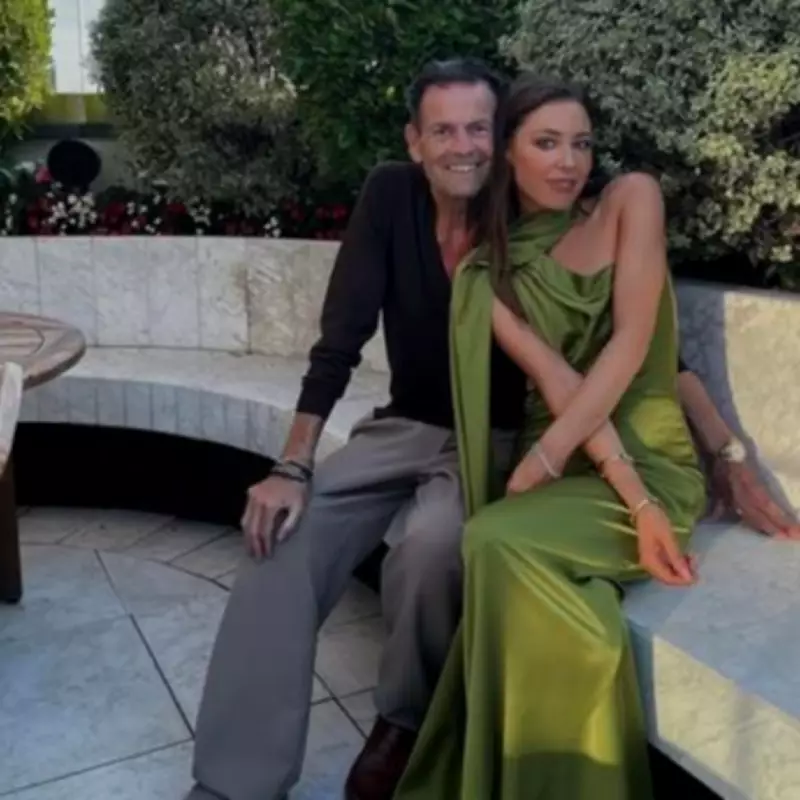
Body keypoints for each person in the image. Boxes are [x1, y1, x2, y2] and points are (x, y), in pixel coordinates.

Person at [186, 61, 799, 800]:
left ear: (499, 138)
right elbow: (340, 337)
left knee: (433, 546)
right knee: (282, 537)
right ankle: (234, 783)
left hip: (495, 440)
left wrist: (725, 450)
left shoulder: (537, 212)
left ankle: (405, 722)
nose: (463, 147)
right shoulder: (392, 197)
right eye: (443, 130)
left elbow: (645, 349)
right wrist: (292, 464)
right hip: (404, 425)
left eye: (478, 128)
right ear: (415, 141)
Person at [390, 73, 749, 800]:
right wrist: (554, 459)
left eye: (581, 144)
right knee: (501, 552)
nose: (569, 162)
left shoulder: (630, 200)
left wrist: (641, 497)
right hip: (567, 459)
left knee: (495, 540)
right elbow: (556, 381)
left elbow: (632, 346)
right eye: (547, 143)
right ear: (508, 154)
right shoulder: (487, 272)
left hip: (646, 457)